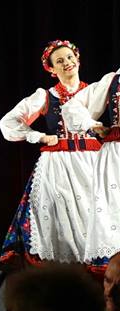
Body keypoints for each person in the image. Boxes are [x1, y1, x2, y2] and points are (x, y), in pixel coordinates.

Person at [0, 40, 101, 267]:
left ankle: (98, 272)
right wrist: (40, 136)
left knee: (96, 213)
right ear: (52, 69)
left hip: (92, 161)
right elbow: (9, 122)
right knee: (60, 217)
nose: (67, 63)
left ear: (78, 60)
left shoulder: (95, 91)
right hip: (58, 164)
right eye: (60, 61)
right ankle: (64, 272)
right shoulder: (46, 96)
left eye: (70, 57)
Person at [61, 61, 120, 270]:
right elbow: (73, 107)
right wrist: (92, 125)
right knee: (113, 215)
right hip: (116, 154)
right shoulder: (113, 80)